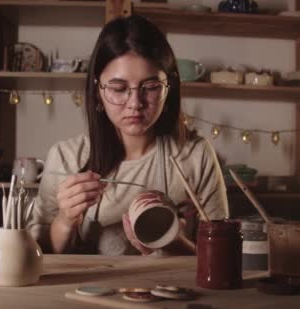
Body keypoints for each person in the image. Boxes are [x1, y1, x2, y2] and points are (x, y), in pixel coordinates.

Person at [28, 14, 228, 255]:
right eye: (118, 88)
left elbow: (220, 256)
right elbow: (38, 254)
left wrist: (172, 241)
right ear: (97, 90)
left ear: (169, 87)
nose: (135, 103)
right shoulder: (66, 158)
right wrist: (65, 220)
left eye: (151, 87)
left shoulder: (195, 155)